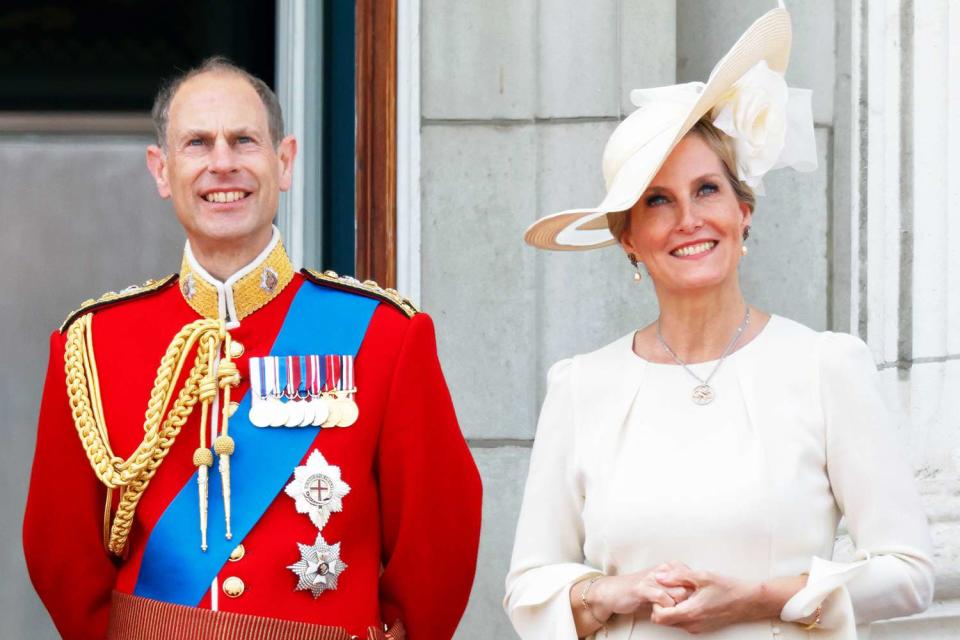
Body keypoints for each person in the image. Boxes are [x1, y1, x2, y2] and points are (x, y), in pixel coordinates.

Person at [504, 8, 933, 640]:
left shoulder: (825, 366)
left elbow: (909, 572)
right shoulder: (579, 386)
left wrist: (760, 598)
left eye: (707, 190)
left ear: (744, 213)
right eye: (658, 200)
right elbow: (527, 588)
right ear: (629, 241)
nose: (688, 219)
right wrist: (613, 591)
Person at [23, 57, 482, 640]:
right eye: (197, 143)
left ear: (283, 162)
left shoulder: (384, 335)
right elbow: (59, 551)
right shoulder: (92, 343)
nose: (222, 163)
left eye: (243, 140)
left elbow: (438, 539)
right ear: (161, 171)